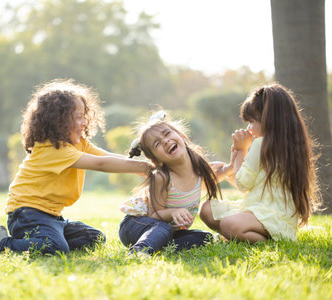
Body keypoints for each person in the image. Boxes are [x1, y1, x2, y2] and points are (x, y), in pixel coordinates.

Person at [0, 79, 151, 255]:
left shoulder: (79, 143)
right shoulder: (53, 149)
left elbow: (105, 156)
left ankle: (44, 239)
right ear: (58, 120)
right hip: (27, 214)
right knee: (55, 247)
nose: (84, 122)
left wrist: (143, 165)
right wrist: (144, 167)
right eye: (78, 117)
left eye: (84, 117)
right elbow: (100, 164)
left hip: (52, 217)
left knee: (94, 238)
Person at [200, 83, 321, 242]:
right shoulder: (293, 147)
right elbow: (257, 188)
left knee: (227, 223)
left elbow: (243, 184)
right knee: (207, 210)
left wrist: (241, 151)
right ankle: (244, 234)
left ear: (269, 120)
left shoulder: (260, 144)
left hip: (267, 215)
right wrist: (233, 167)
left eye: (251, 122)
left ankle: (259, 239)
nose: (249, 128)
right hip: (270, 216)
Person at [118, 111, 221, 256]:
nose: (165, 141)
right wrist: (173, 212)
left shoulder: (198, 168)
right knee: (163, 229)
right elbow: (154, 215)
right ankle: (140, 251)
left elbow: (219, 174)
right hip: (136, 225)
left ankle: (161, 247)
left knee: (204, 237)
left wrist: (237, 156)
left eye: (167, 134)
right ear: (157, 160)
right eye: (157, 144)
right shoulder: (162, 177)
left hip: (166, 230)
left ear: (182, 137)